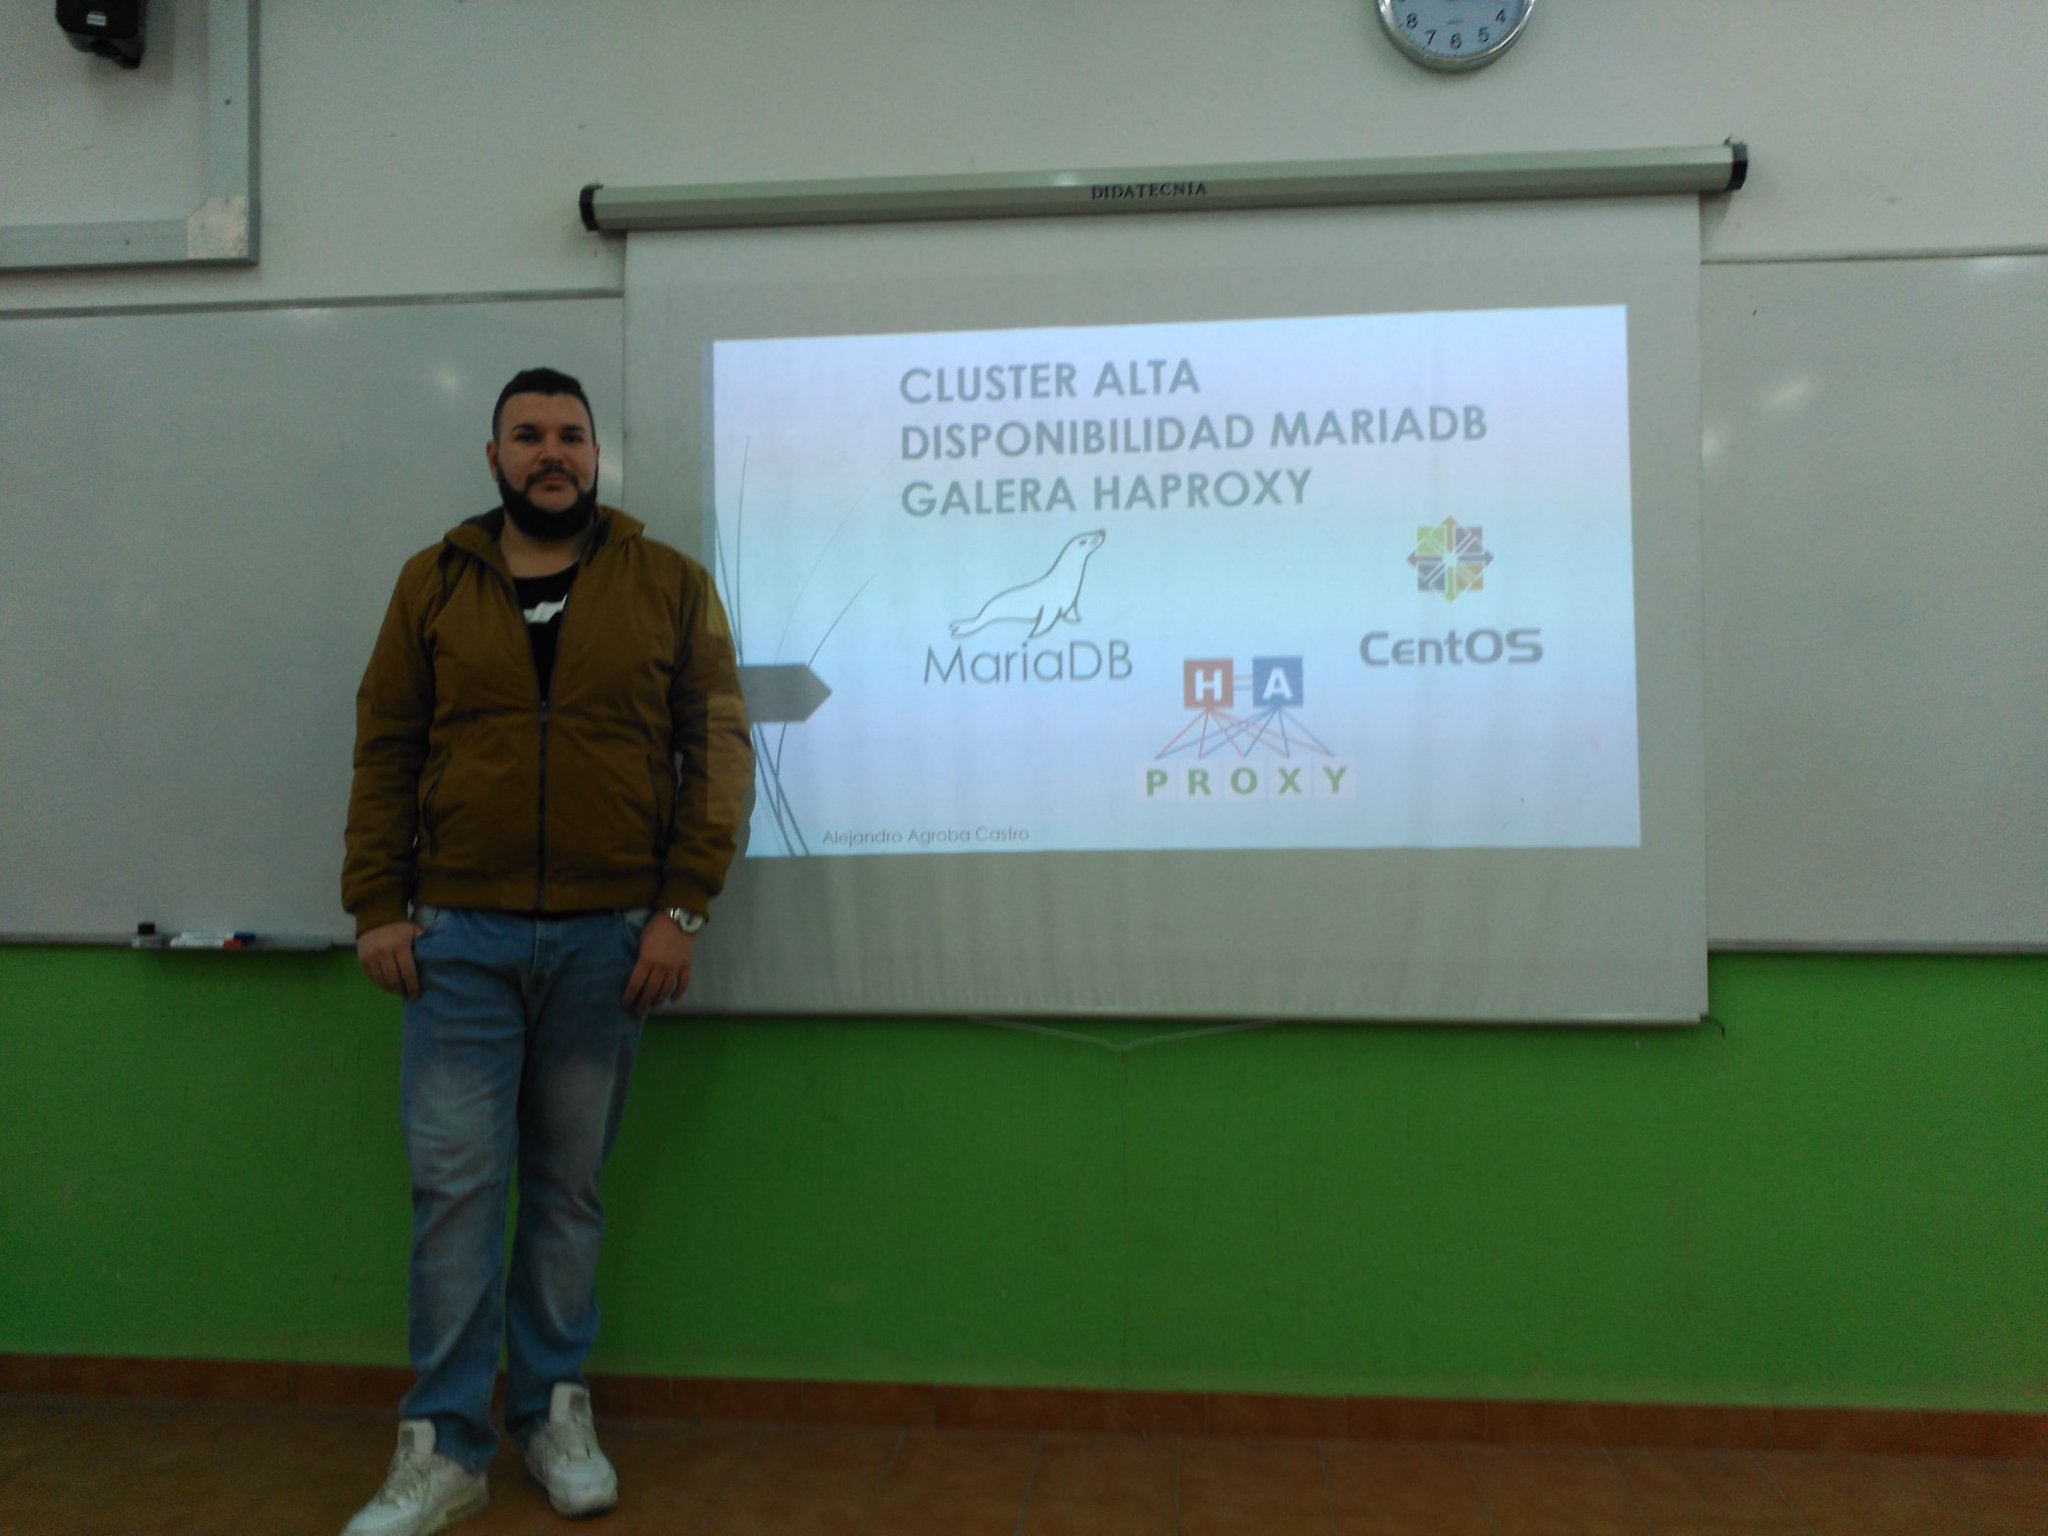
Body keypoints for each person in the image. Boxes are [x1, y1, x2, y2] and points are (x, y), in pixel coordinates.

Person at [339, 367, 751, 1535]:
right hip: (454, 941)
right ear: (495, 457)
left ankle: (555, 1412)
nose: (550, 452)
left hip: (609, 939)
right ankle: (443, 1448)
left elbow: (716, 748)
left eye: (570, 434)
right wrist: (376, 902)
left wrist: (682, 908)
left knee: (567, 1193)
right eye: (527, 435)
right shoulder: (432, 581)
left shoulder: (667, 582)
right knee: (455, 1194)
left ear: (594, 455)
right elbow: (386, 746)